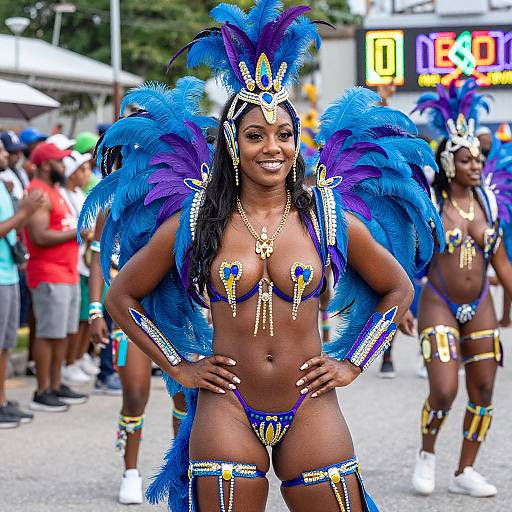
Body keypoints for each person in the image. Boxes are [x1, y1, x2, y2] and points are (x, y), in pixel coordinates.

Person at [80, 3, 440, 511]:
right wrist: (180, 366)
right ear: (232, 144)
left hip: (310, 403)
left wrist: (352, 363)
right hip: (227, 408)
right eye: (255, 135)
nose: (272, 147)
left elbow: (398, 288)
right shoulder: (197, 218)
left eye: (284, 134)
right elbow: (122, 298)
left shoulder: (325, 214)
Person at [411, 80, 512, 497]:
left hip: (481, 305)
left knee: (484, 388)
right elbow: (408, 258)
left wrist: (509, 307)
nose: (476, 165)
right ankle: (427, 454)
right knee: (445, 388)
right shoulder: (432, 205)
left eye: (479, 159)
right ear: (450, 165)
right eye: (467, 160)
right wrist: (401, 306)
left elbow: (503, 263)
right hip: (439, 302)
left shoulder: (488, 204)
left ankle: (465, 470)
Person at [24, 142, 88, 411]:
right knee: (48, 334)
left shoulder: (55, 191)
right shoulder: (38, 192)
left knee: (63, 333)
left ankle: (56, 383)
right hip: (49, 273)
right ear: (46, 165)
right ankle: (42, 390)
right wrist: (78, 234)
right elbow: (39, 236)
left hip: (67, 271)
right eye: (60, 162)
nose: (64, 166)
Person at [0, 139, 45, 428]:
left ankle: (2, 399)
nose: (6, 153)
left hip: (9, 274)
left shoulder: (5, 183)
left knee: (5, 343)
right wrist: (24, 213)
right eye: (1, 150)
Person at [60, 151, 98, 384]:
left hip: (80, 266)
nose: (87, 174)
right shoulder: (65, 194)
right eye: (82, 170)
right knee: (79, 319)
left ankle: (79, 356)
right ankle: (70, 360)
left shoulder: (77, 194)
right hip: (77, 265)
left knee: (85, 319)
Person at [0, 131, 30, 209]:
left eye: (20, 152)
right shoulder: (2, 174)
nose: (19, 156)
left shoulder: (20, 170)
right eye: (14, 152)